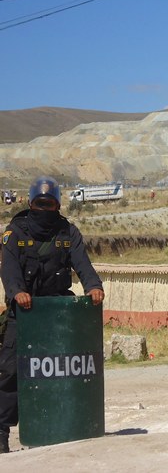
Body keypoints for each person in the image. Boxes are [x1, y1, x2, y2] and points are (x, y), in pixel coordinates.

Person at [0, 175, 105, 453]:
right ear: (31, 203)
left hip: (58, 315)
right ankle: (1, 431)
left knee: (67, 368)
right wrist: (16, 292)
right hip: (25, 313)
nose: (45, 209)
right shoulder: (15, 232)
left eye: (50, 204)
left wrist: (93, 287)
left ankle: (64, 423)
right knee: (10, 371)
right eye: (40, 203)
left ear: (57, 205)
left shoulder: (67, 232)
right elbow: (9, 269)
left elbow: (82, 263)